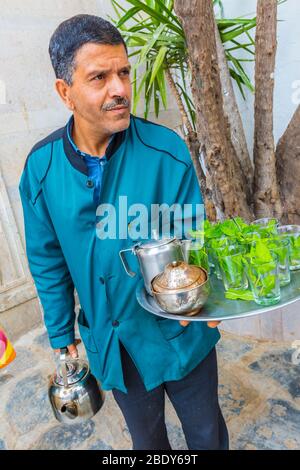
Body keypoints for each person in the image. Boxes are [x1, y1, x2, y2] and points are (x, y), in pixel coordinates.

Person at [19, 14, 228, 450]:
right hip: (113, 338)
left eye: (124, 73)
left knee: (206, 432)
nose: (119, 90)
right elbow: (46, 258)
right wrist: (62, 336)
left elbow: (194, 236)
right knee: (147, 440)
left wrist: (213, 295)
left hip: (180, 332)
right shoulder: (41, 169)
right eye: (99, 77)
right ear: (65, 92)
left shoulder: (165, 150)